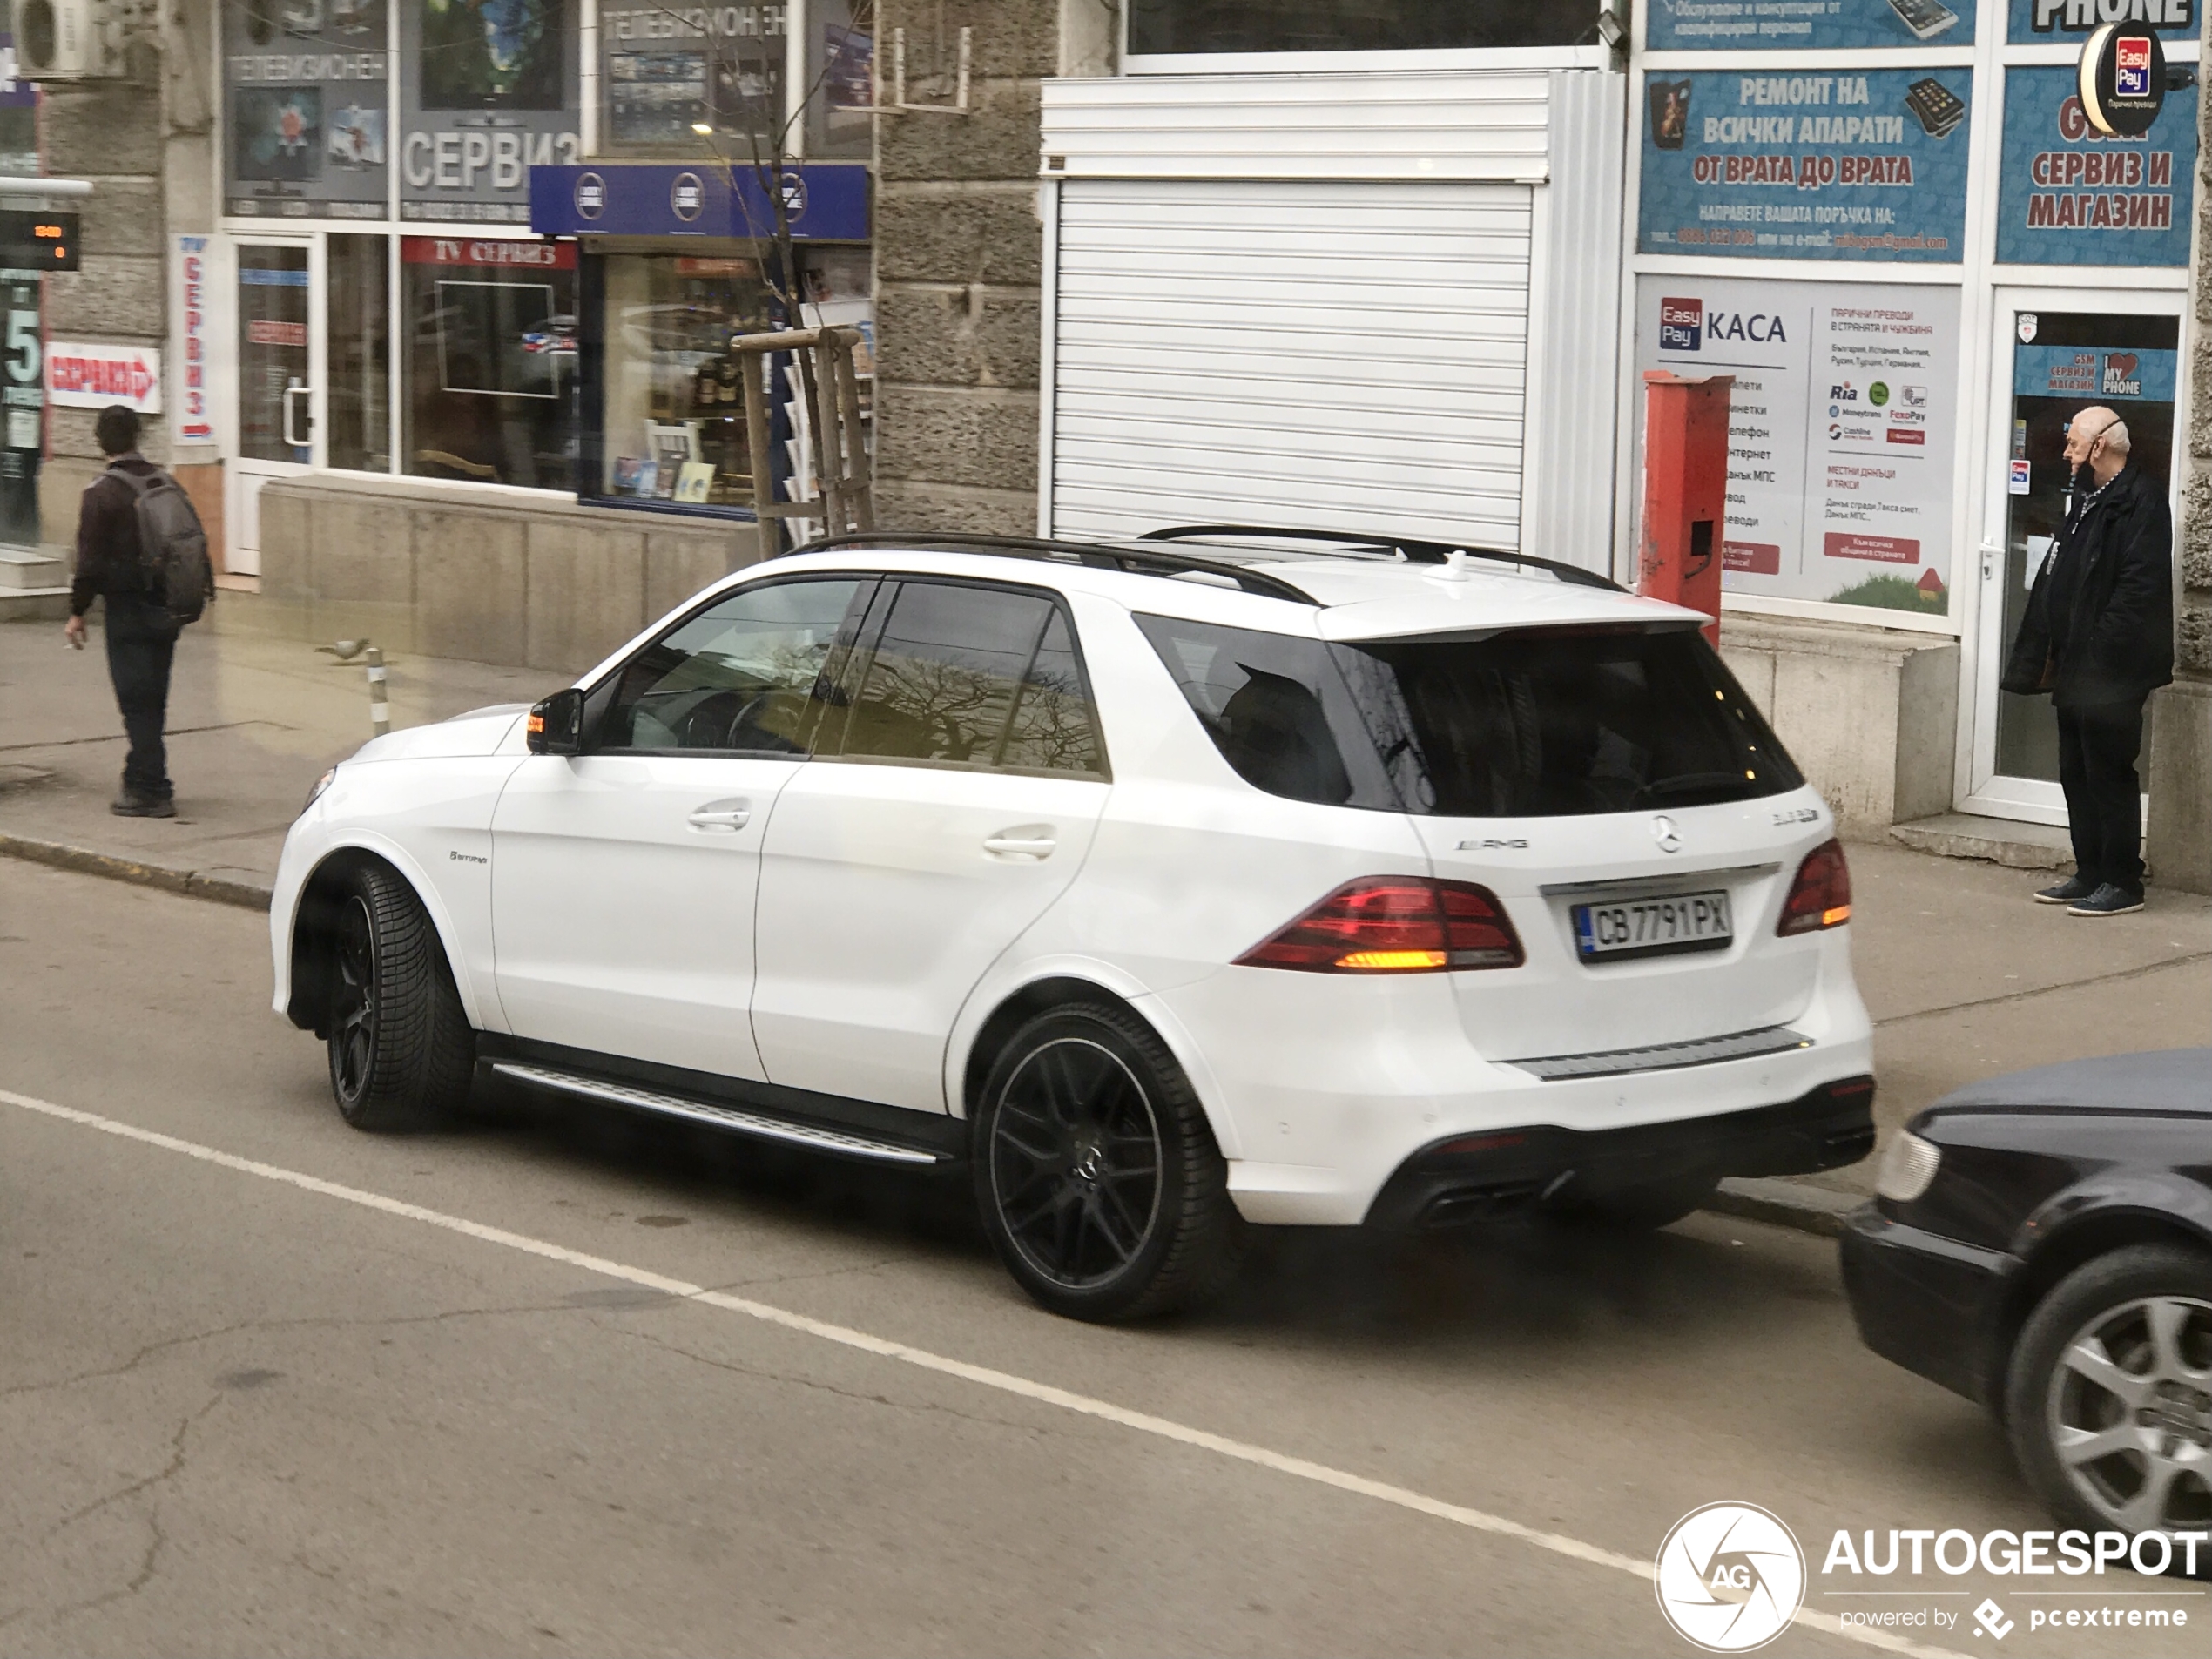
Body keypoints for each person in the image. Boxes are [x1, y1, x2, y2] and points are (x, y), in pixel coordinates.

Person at [2001, 404, 2175, 917]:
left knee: (2109, 772)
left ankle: (2122, 882)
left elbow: (2137, 591)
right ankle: (2089, 872)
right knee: (2075, 770)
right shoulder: (2085, 497)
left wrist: (2096, 651)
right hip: (2075, 664)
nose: (2066, 451)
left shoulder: (2140, 502)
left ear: (2099, 445)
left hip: (2111, 671)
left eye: (2074, 442)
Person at [62, 405, 179, 818]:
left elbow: (89, 563)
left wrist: (77, 612)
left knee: (135, 701)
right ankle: (143, 775)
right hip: (167, 608)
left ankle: (151, 788)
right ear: (137, 437)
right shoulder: (162, 481)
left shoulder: (101, 494)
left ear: (99, 441)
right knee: (154, 698)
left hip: (127, 611)